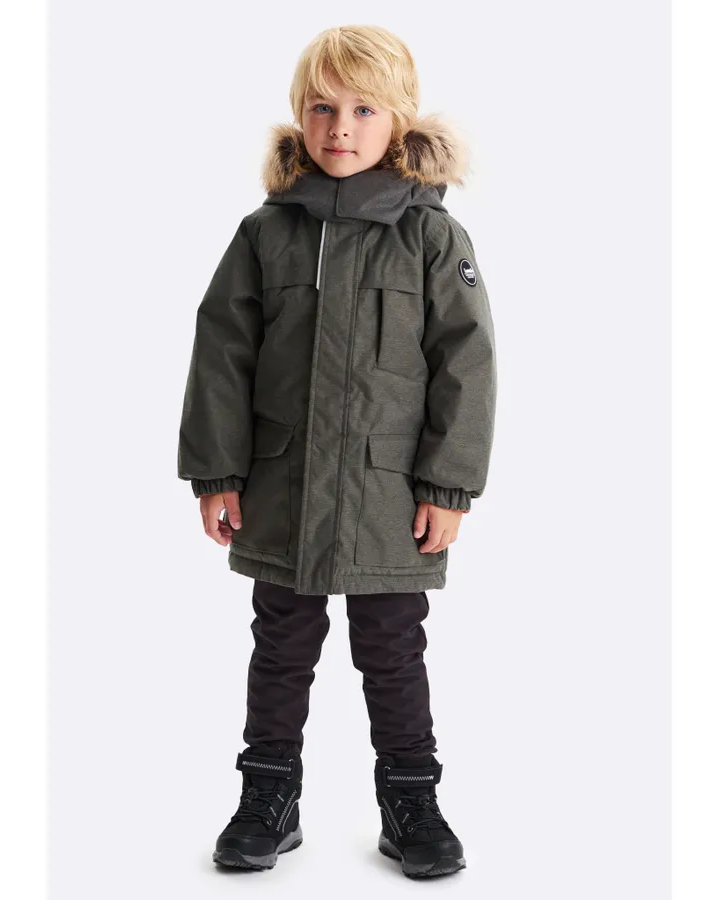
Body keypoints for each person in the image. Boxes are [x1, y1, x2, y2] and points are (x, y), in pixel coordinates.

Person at [177, 24, 497, 879]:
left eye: (363, 109)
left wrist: (448, 485)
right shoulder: (266, 234)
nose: (340, 127)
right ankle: (267, 797)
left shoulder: (431, 238)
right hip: (284, 485)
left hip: (388, 491)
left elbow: (466, 364)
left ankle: (411, 801)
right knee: (281, 644)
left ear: (399, 121)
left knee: (393, 649)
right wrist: (217, 472)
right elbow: (222, 355)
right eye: (322, 108)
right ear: (299, 117)